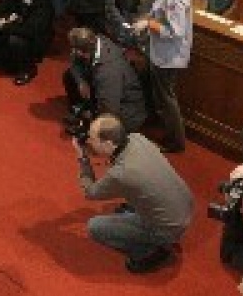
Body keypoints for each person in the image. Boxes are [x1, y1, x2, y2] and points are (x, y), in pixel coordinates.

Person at [75, 114, 194, 273]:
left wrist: (82, 157)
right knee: (133, 196)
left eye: (92, 138)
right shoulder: (137, 138)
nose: (88, 141)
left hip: (167, 228)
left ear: (109, 144)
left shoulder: (121, 174)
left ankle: (153, 250)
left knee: (94, 227)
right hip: (185, 208)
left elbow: (90, 192)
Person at [129, 0, 192, 153]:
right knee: (160, 95)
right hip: (161, 51)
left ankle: (176, 141)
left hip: (169, 55)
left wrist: (148, 23)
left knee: (166, 98)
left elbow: (175, 31)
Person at [63, 25, 147, 135]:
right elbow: (74, 63)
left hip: (126, 111)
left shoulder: (108, 70)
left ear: (81, 52)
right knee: (69, 76)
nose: (73, 52)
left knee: (102, 128)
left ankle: (86, 122)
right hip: (109, 94)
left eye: (75, 50)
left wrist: (90, 115)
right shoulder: (94, 41)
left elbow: (109, 108)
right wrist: (81, 82)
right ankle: (83, 112)